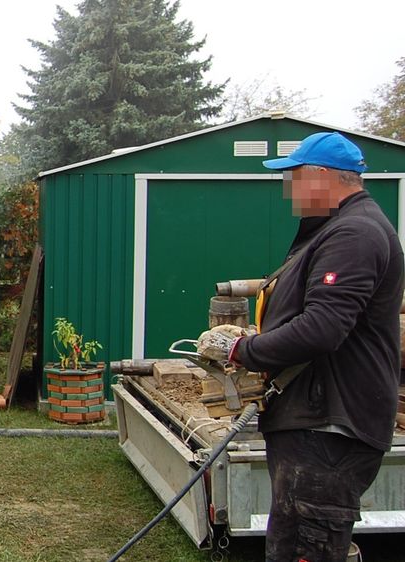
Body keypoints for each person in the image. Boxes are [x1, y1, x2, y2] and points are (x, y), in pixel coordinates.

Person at [198, 132, 403, 561]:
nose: (287, 188)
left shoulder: (355, 234)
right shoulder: (336, 229)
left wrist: (242, 352)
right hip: (316, 421)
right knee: (293, 545)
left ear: (322, 176)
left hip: (330, 426)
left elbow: (322, 328)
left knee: (307, 550)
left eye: (292, 178)